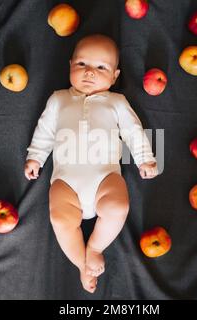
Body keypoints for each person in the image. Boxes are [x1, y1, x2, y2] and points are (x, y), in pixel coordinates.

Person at [24, 34, 158, 293]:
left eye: (101, 68)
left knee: (118, 206)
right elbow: (45, 130)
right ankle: (81, 264)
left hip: (105, 177)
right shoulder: (59, 99)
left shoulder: (116, 102)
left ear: (115, 76)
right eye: (82, 64)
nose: (90, 73)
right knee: (60, 218)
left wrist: (146, 158)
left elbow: (133, 130)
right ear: (70, 65)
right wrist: (35, 156)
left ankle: (94, 247)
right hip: (65, 180)